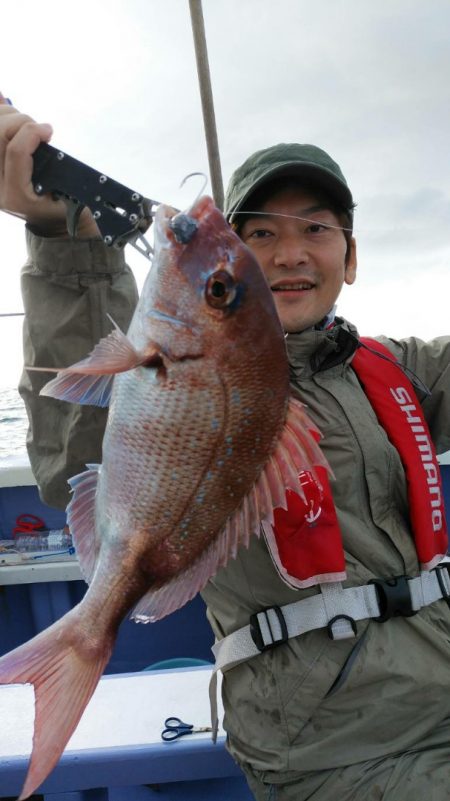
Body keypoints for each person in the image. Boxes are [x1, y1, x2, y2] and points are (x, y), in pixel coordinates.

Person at [1, 97, 450, 801]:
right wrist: (65, 237)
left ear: (351, 256)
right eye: (261, 233)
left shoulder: (399, 370)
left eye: (316, 229)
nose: (291, 251)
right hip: (329, 746)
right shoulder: (179, 370)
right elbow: (74, 447)